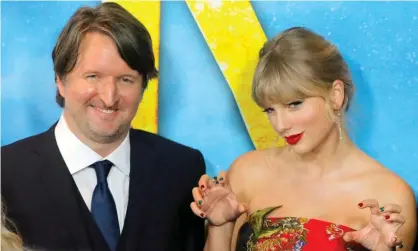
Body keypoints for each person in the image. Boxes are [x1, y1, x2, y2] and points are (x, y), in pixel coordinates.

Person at [1, 2, 205, 251]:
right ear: (60, 80)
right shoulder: (6, 173)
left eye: (126, 80)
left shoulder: (182, 169)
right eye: (93, 76)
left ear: (143, 87)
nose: (109, 97)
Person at [190, 27, 417, 251]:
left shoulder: (389, 195)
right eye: (270, 110)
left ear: (336, 95)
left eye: (294, 104)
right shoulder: (248, 172)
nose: (280, 125)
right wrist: (221, 226)